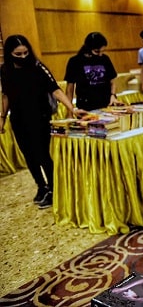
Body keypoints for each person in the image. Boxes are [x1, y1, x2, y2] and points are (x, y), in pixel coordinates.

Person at [0, 35, 81, 208]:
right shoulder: (5, 70)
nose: (23, 57)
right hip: (18, 119)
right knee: (29, 155)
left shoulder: (37, 67)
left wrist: (72, 108)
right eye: (18, 54)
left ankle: (53, 189)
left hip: (39, 117)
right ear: (10, 53)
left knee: (42, 154)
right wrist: (2, 118)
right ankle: (41, 186)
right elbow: (5, 95)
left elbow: (55, 90)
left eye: (25, 53)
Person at [64, 32, 124, 111]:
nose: (100, 55)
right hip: (86, 107)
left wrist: (112, 95)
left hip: (106, 105)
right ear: (88, 48)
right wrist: (69, 111)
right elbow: (70, 89)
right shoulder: (75, 61)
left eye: (102, 51)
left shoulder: (105, 59)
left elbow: (112, 81)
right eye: (97, 51)